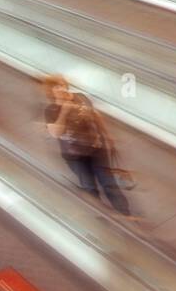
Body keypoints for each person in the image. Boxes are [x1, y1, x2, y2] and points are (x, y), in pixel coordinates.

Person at [41, 75, 129, 215]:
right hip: (75, 157)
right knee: (90, 187)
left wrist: (107, 136)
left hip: (96, 149)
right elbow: (56, 133)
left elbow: (95, 116)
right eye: (56, 86)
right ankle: (101, 214)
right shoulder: (50, 110)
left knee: (109, 183)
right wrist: (64, 111)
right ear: (51, 91)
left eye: (62, 85)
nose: (62, 88)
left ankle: (126, 214)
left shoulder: (80, 97)